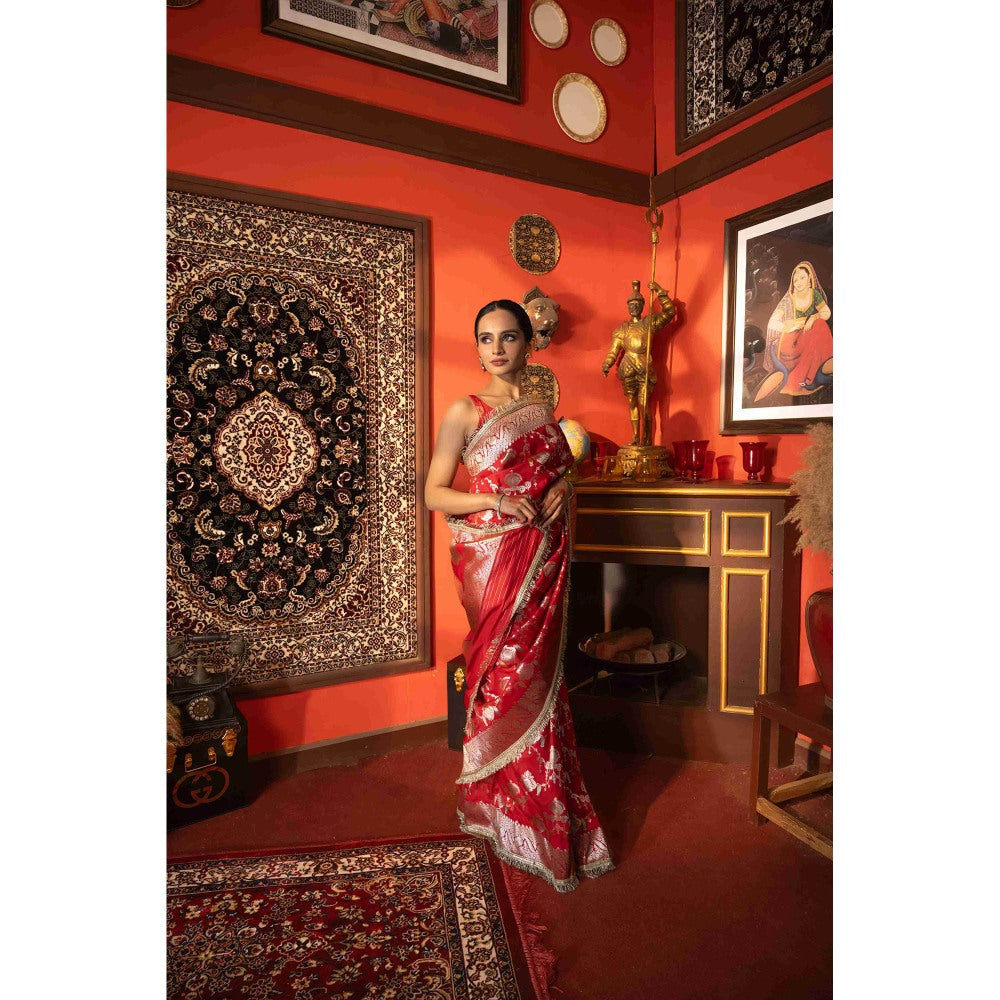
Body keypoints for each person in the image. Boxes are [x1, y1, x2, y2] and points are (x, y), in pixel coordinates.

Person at [424, 299, 614, 892]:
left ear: (529, 344)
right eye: (486, 338)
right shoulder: (464, 410)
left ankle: (542, 808)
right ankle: (496, 803)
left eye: (509, 337)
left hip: (543, 559)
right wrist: (496, 500)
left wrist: (565, 485)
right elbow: (435, 493)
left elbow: (558, 473)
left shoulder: (540, 411)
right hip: (494, 561)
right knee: (504, 675)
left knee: (540, 682)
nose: (497, 348)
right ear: (476, 347)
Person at [601, 279, 676, 445]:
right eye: (631, 304)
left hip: (644, 368)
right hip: (628, 368)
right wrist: (607, 364)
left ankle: (647, 438)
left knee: (644, 404)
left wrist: (660, 292)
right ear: (627, 307)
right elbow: (614, 350)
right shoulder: (621, 330)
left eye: (637, 304)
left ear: (642, 306)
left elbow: (669, 313)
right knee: (632, 403)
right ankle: (635, 436)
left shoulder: (649, 323)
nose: (634, 307)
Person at [759, 261, 833, 398]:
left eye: (802, 278)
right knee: (817, 329)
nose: (798, 282)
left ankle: (816, 373)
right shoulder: (789, 300)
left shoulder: (814, 294)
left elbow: (826, 313)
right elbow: (772, 322)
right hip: (790, 340)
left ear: (810, 279)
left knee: (820, 324)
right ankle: (808, 378)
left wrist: (813, 317)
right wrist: (791, 326)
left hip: (807, 335)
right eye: (795, 280)